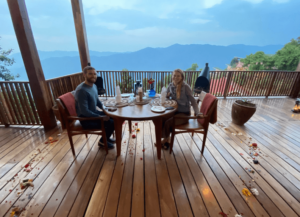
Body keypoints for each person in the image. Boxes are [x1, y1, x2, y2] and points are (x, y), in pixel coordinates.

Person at [74, 65, 115, 149]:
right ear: (84, 75)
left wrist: (105, 109)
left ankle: (105, 138)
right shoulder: (82, 91)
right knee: (112, 122)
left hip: (93, 114)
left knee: (114, 116)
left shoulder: (94, 86)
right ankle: (102, 141)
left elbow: (97, 101)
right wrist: (101, 117)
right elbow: (84, 112)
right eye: (90, 74)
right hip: (86, 120)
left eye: (95, 74)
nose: (93, 76)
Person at [162, 68, 201, 149]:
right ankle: (166, 139)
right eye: (174, 75)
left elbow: (193, 100)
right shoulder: (170, 85)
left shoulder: (185, 87)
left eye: (178, 76)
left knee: (168, 122)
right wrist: (167, 95)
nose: (176, 77)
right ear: (172, 76)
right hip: (174, 111)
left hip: (184, 114)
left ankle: (165, 141)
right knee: (161, 118)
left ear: (182, 77)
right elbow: (168, 98)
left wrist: (197, 112)